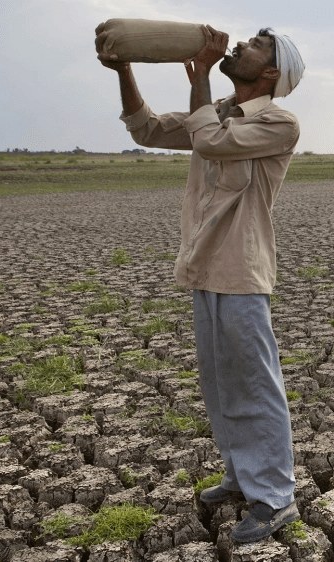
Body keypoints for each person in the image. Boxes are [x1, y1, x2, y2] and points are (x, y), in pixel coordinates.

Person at [97, 23, 305, 543]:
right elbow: (145, 129)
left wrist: (203, 75)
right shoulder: (218, 113)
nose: (240, 45)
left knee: (256, 386)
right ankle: (241, 478)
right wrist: (125, 69)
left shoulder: (279, 122)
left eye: (255, 45)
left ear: (271, 71)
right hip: (204, 268)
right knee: (220, 384)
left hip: (240, 269)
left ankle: (276, 499)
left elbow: (210, 143)